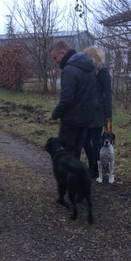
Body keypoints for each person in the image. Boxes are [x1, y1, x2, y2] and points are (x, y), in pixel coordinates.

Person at [50, 41, 96, 159]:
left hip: (71, 120)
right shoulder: (89, 66)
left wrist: (55, 113)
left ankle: (68, 176)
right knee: (76, 152)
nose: (55, 62)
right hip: (86, 118)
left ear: (63, 52)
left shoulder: (69, 69)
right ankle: (77, 175)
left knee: (67, 154)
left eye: (55, 58)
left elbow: (66, 98)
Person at [83, 46, 113, 178]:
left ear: (93, 57)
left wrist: (108, 114)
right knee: (85, 142)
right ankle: (92, 166)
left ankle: (96, 168)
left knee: (95, 142)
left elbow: (108, 94)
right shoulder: (86, 71)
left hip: (97, 113)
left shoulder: (103, 72)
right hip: (85, 113)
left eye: (86, 56)